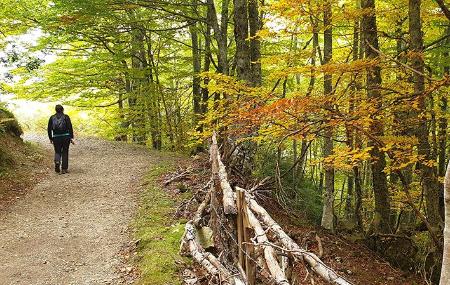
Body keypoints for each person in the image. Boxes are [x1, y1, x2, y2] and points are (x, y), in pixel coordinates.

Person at [47, 105, 74, 174]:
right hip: (66, 137)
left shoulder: (52, 117)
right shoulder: (66, 117)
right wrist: (71, 137)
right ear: (63, 110)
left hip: (56, 137)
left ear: (55, 110)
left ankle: (57, 161)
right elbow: (70, 127)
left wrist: (50, 138)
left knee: (57, 151)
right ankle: (64, 169)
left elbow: (49, 129)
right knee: (65, 151)